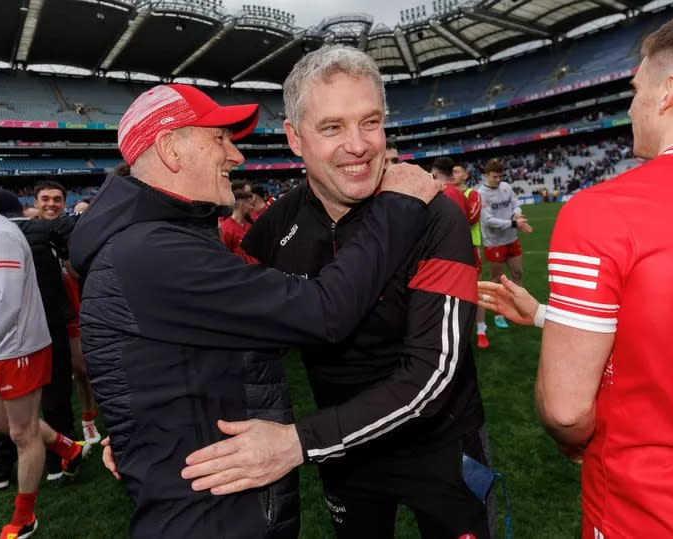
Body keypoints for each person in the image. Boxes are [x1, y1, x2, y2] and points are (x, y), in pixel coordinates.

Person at [68, 82, 440, 538]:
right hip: (212, 520)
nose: (237, 157)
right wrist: (398, 206)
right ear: (170, 149)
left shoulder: (152, 242)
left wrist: (146, 428)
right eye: (219, 138)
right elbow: (324, 312)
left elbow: (183, 361)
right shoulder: (152, 251)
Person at [478, 1, 673, 536]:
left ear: (669, 91)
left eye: (635, 89)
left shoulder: (607, 210)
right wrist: (547, 316)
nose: (631, 106)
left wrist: (571, 438)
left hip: (655, 512)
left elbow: (566, 411)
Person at [181, 46, 491, 539]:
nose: (358, 145)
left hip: (442, 445)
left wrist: (296, 443)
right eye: (331, 128)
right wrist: (149, 415)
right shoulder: (273, 229)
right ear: (294, 138)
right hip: (344, 457)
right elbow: (230, 341)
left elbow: (434, 376)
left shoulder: (435, 214)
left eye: (370, 122)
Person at [0, 161, 86, 539]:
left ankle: (25, 516)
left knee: (22, 433)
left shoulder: (0, 235)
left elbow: (10, 304)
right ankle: (68, 448)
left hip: (19, 348)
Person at [33, 180, 101, 446]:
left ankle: (88, 419)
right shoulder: (24, 233)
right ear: (37, 202)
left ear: (64, 203)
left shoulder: (73, 232)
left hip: (74, 309)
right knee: (48, 379)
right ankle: (51, 431)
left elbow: (77, 272)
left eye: (57, 199)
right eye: (45, 199)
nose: (51, 204)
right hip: (40, 315)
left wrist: (65, 256)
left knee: (81, 369)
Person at [478, 158, 532, 329]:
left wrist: (516, 214)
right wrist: (515, 223)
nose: (498, 179)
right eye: (494, 176)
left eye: (500, 176)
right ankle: (498, 313)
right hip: (494, 242)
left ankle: (520, 306)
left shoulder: (506, 187)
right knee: (497, 279)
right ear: (486, 175)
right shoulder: (480, 194)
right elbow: (488, 221)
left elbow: (515, 204)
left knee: (518, 273)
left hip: (511, 238)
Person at [452, 162, 487, 348]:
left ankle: (481, 330)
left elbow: (472, 217)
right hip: (450, 249)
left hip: (470, 248)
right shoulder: (444, 193)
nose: (453, 174)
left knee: (476, 290)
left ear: (466, 175)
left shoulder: (472, 194)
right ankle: (460, 333)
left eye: (456, 171)